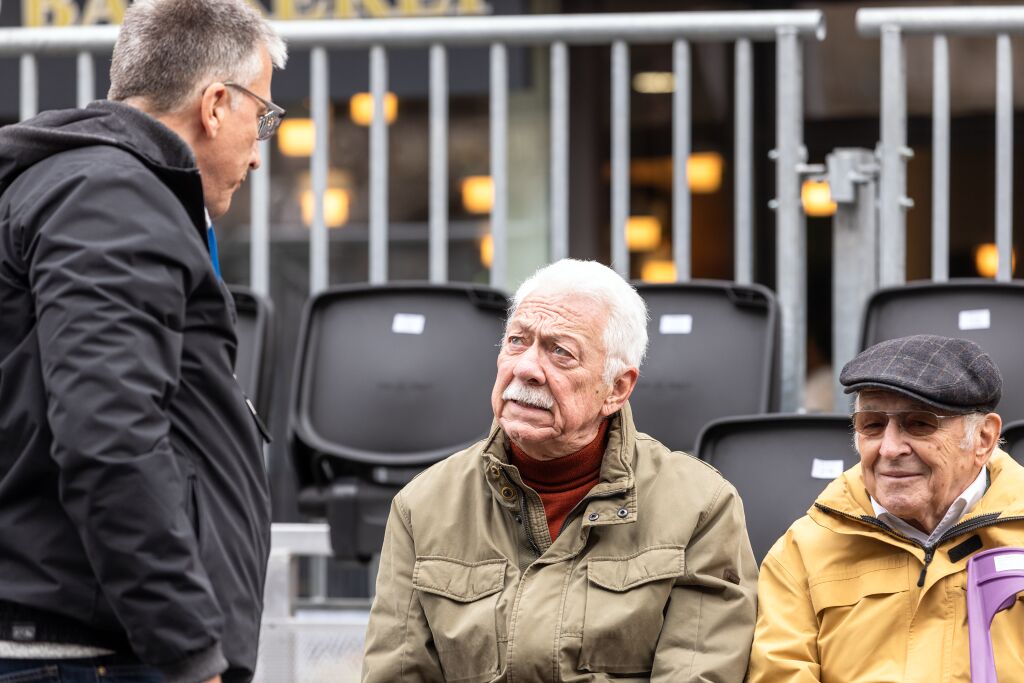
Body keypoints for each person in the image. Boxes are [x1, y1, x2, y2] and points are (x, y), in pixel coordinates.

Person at [0, 1, 286, 681]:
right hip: (90, 655)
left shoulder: (82, 187)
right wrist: (189, 649)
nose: (257, 153)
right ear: (215, 105)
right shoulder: (113, 199)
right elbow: (109, 434)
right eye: (262, 117)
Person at [362, 258, 758, 682]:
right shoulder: (423, 505)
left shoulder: (700, 507)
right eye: (517, 341)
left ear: (617, 388)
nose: (526, 368)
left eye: (560, 352)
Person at [748, 334, 1024, 682]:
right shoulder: (802, 552)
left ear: (983, 438)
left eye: (919, 424)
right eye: (873, 425)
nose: (890, 448)